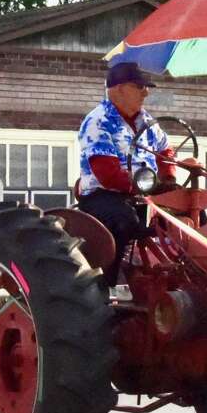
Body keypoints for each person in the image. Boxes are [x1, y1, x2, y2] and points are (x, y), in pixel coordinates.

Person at [76, 62, 176, 284]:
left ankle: (184, 276)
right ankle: (107, 284)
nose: (145, 93)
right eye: (139, 87)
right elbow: (107, 174)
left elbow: (165, 149)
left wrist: (169, 178)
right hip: (104, 195)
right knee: (123, 220)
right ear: (119, 89)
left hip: (145, 193)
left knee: (190, 212)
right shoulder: (98, 121)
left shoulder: (147, 121)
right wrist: (147, 186)